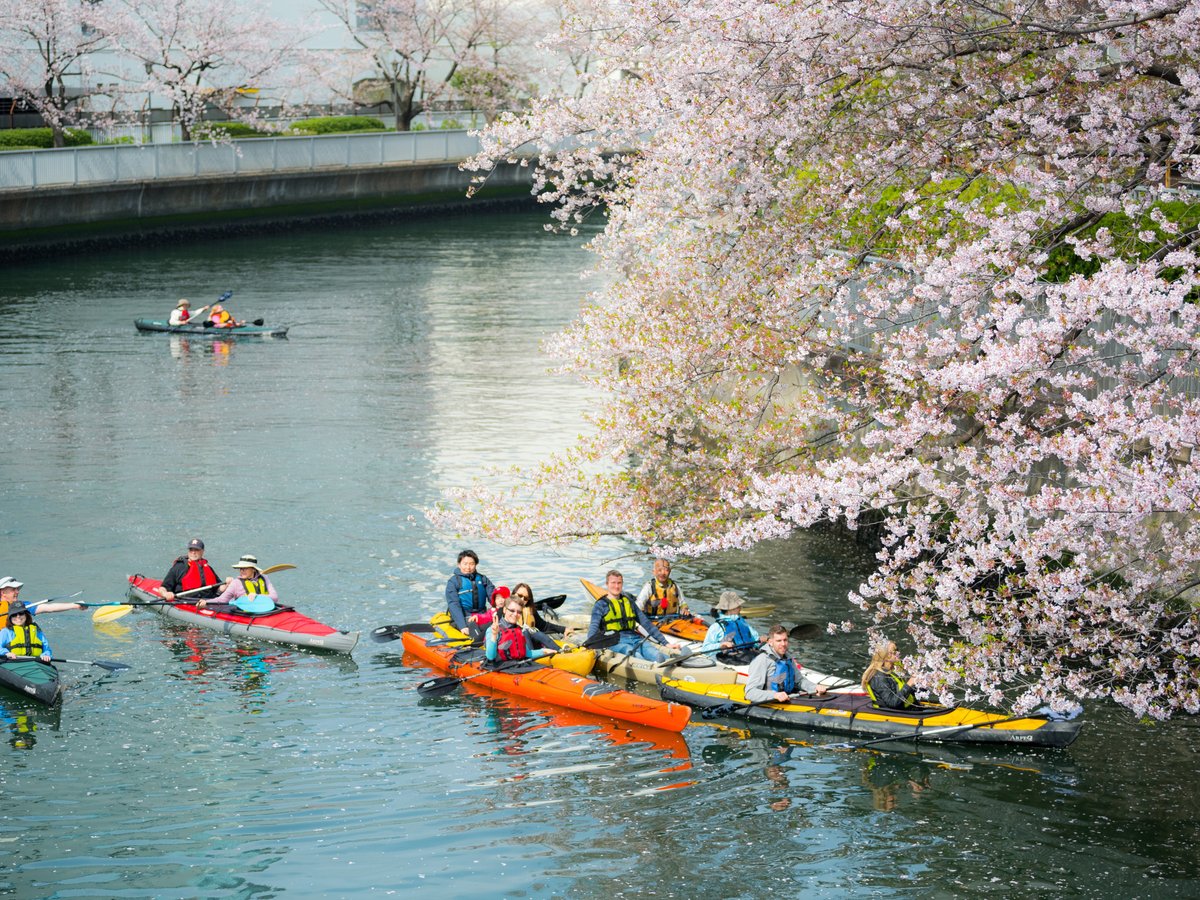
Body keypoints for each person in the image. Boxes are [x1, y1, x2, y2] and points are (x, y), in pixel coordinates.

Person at [585, 569, 681, 663]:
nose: (616, 586)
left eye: (619, 583)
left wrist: (666, 643)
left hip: (634, 638)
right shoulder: (600, 605)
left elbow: (646, 623)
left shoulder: (628, 601)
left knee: (655, 654)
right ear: (607, 584)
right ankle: (649, 669)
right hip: (613, 641)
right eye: (613, 583)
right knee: (634, 654)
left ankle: (674, 661)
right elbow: (593, 627)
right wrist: (589, 645)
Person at [744, 625, 827, 703]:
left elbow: (799, 681)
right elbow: (750, 692)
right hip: (770, 702)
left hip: (787, 697)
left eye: (785, 640)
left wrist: (814, 687)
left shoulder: (787, 657)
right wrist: (775, 695)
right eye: (779, 641)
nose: (783, 644)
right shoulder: (762, 660)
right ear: (770, 642)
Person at [486, 595, 557, 663]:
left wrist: (543, 651)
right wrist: (494, 635)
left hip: (518, 666)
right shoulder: (493, 630)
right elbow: (490, 657)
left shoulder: (519, 630)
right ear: (504, 610)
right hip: (502, 668)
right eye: (512, 610)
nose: (515, 614)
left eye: (519, 612)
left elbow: (527, 653)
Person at [197, 554, 277, 613]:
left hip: (267, 611)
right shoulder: (236, 583)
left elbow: (274, 598)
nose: (242, 571)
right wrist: (206, 603)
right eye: (240, 568)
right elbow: (222, 600)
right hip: (246, 614)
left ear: (253, 569)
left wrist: (257, 596)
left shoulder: (264, 578)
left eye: (245, 568)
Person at [699, 590, 762, 664]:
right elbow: (705, 649)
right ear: (730, 610)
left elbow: (755, 640)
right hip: (732, 659)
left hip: (750, 656)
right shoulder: (716, 627)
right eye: (738, 606)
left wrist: (761, 640)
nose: (740, 608)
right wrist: (720, 645)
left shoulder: (742, 621)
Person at [445, 550, 497, 631]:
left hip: (481, 615)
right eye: (465, 564)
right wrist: (462, 626)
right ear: (459, 564)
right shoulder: (453, 582)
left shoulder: (483, 579)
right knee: (476, 628)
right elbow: (453, 604)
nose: (468, 567)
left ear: (476, 564)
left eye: (471, 564)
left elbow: (494, 596)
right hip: (465, 617)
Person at [0, 576, 83, 627]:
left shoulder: (22, 606)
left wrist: (75, 605)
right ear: (3, 593)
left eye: (17, 589)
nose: (17, 592)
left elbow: (48, 608)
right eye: (13, 590)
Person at [156, 538, 222, 601]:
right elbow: (163, 588)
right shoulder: (179, 567)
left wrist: (227, 585)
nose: (193, 552)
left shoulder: (208, 568)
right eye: (191, 550)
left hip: (208, 601)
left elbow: (219, 587)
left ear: (202, 551)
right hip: (186, 601)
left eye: (196, 550)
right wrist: (166, 594)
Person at [861, 640, 919, 709]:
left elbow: (902, 691)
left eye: (897, 649)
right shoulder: (879, 677)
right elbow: (892, 702)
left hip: (908, 708)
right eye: (895, 651)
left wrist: (919, 684)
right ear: (885, 656)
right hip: (897, 714)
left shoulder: (892, 670)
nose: (898, 653)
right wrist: (909, 683)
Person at [510, 583, 562, 649]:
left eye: (525, 598)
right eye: (520, 596)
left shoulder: (530, 610)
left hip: (530, 638)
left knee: (538, 634)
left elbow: (544, 626)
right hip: (513, 641)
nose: (522, 599)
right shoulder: (506, 610)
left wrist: (563, 629)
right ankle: (531, 657)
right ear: (513, 594)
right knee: (525, 632)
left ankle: (560, 651)